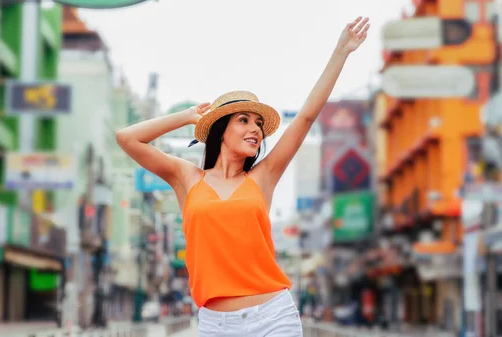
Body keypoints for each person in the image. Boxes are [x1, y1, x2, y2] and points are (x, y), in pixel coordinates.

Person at [116, 16, 369, 337]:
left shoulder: (263, 177)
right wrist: (187, 117)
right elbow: (127, 138)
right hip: (215, 324)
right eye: (244, 120)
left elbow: (305, 118)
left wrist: (340, 52)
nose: (255, 129)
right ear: (221, 129)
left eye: (259, 125)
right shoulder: (186, 177)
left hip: (273, 317)